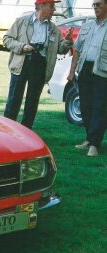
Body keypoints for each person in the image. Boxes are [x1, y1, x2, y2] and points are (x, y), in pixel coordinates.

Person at [3, 0, 74, 129]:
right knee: (14, 99)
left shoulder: (53, 29)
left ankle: (26, 133)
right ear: (41, 6)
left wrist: (68, 41)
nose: (54, 9)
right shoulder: (22, 22)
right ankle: (7, 131)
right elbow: (7, 39)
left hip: (40, 66)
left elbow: (61, 49)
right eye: (51, 6)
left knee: (32, 102)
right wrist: (22, 46)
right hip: (22, 64)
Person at [67, 0, 107, 157]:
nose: (95, 7)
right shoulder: (88, 26)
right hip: (85, 70)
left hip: (102, 71)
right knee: (85, 106)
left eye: (99, 4)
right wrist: (71, 71)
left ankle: (95, 145)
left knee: (99, 107)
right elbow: (76, 49)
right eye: (94, 5)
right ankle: (89, 139)